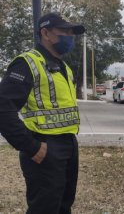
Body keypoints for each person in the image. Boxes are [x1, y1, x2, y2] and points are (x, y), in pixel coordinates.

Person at [0, 12, 85, 214]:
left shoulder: (63, 66)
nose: (70, 36)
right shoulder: (27, 63)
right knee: (45, 208)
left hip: (68, 144)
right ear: (45, 33)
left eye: (72, 32)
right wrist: (31, 146)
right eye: (64, 31)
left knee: (64, 204)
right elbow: (2, 107)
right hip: (44, 147)